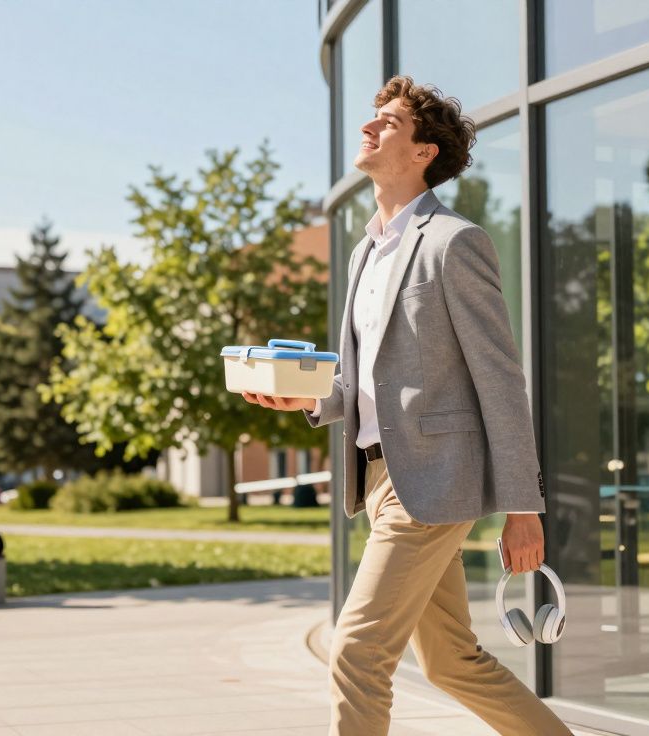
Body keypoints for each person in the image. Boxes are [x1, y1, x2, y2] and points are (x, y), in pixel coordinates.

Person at [243, 76, 571, 735]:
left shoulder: (454, 243)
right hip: (383, 475)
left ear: (423, 152)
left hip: (434, 480)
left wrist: (523, 508)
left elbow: (501, 382)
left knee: (357, 651)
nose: (368, 129)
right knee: (451, 662)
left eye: (388, 123)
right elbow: (372, 381)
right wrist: (307, 396)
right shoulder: (367, 250)